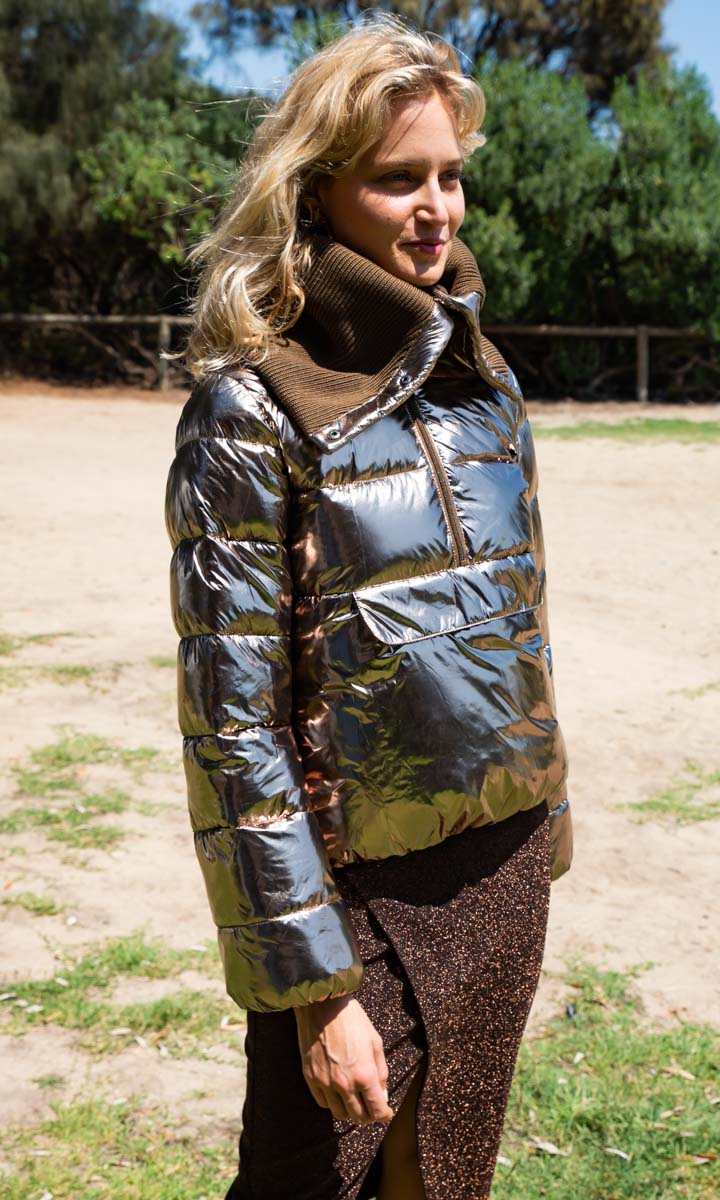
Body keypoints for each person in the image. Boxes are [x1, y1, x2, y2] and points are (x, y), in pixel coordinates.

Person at [165, 16, 572, 1200]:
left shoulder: (483, 378)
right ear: (318, 189)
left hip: (500, 870)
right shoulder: (248, 412)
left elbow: (520, 625)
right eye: (400, 179)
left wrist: (549, 814)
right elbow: (234, 729)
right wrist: (316, 985)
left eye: (450, 175)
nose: (437, 208)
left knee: (447, 1179)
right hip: (359, 909)